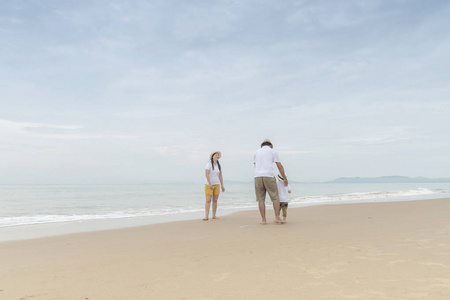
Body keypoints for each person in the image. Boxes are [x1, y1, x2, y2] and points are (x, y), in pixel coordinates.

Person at [253, 139, 288, 224]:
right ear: (271, 145)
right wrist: (285, 179)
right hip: (268, 175)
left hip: (257, 176)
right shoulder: (273, 151)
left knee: (261, 199)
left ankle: (263, 220)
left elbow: (255, 165)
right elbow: (279, 166)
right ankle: (277, 217)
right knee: (275, 197)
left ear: (262, 145)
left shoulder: (257, 152)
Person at [203, 151, 225, 221]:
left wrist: (222, 185)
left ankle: (214, 215)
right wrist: (210, 184)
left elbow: (220, 176)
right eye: (216, 155)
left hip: (217, 184)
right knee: (208, 200)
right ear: (212, 156)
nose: (217, 156)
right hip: (208, 185)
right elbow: (206, 174)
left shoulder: (218, 165)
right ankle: (206, 216)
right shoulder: (208, 164)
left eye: (218, 155)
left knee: (215, 200)